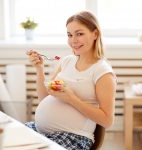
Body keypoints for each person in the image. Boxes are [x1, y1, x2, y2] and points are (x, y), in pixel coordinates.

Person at [26, 11, 116, 150]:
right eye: (69, 35)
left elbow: (107, 121)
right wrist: (39, 70)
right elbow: (44, 100)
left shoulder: (102, 72)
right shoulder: (67, 61)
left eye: (79, 34)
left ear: (95, 34)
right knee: (6, 137)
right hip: (41, 130)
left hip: (74, 137)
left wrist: (71, 98)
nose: (73, 40)